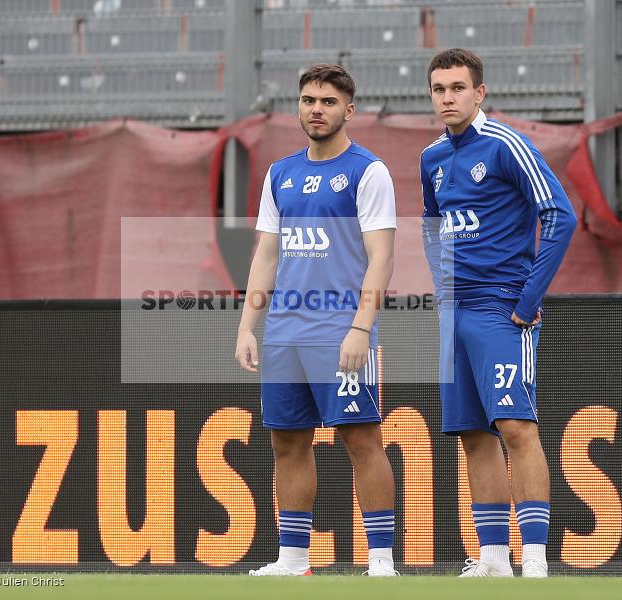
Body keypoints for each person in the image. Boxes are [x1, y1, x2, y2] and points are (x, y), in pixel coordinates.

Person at [235, 63, 398, 577]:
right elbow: (265, 254)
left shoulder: (368, 171)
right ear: (298, 106)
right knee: (286, 440)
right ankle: (293, 559)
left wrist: (360, 327)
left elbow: (382, 257)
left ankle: (380, 561)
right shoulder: (280, 173)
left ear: (348, 109)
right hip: (285, 331)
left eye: (328, 102)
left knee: (361, 439)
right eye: (308, 100)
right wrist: (247, 326)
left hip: (341, 331)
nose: (316, 109)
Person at [420, 48, 577, 578]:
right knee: (472, 434)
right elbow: (431, 224)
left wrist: (527, 301)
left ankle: (534, 559)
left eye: (458, 88)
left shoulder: (507, 144)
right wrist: (441, 288)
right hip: (454, 316)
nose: (448, 97)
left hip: (501, 309)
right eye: (439, 89)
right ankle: (493, 558)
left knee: (515, 427)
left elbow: (559, 215)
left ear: (479, 92)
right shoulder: (432, 158)